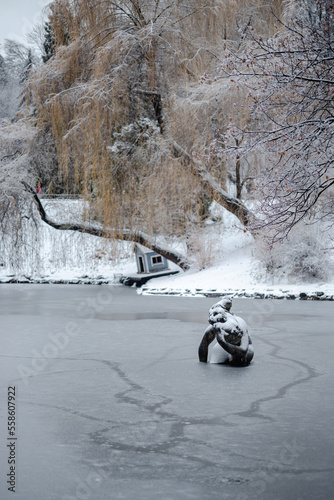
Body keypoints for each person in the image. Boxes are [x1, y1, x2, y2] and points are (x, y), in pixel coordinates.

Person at [198, 296, 254, 365]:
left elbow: (243, 351)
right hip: (224, 347)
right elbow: (204, 343)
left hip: (245, 350)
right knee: (214, 362)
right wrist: (203, 365)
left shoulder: (240, 325)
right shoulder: (215, 326)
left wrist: (222, 342)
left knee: (237, 361)